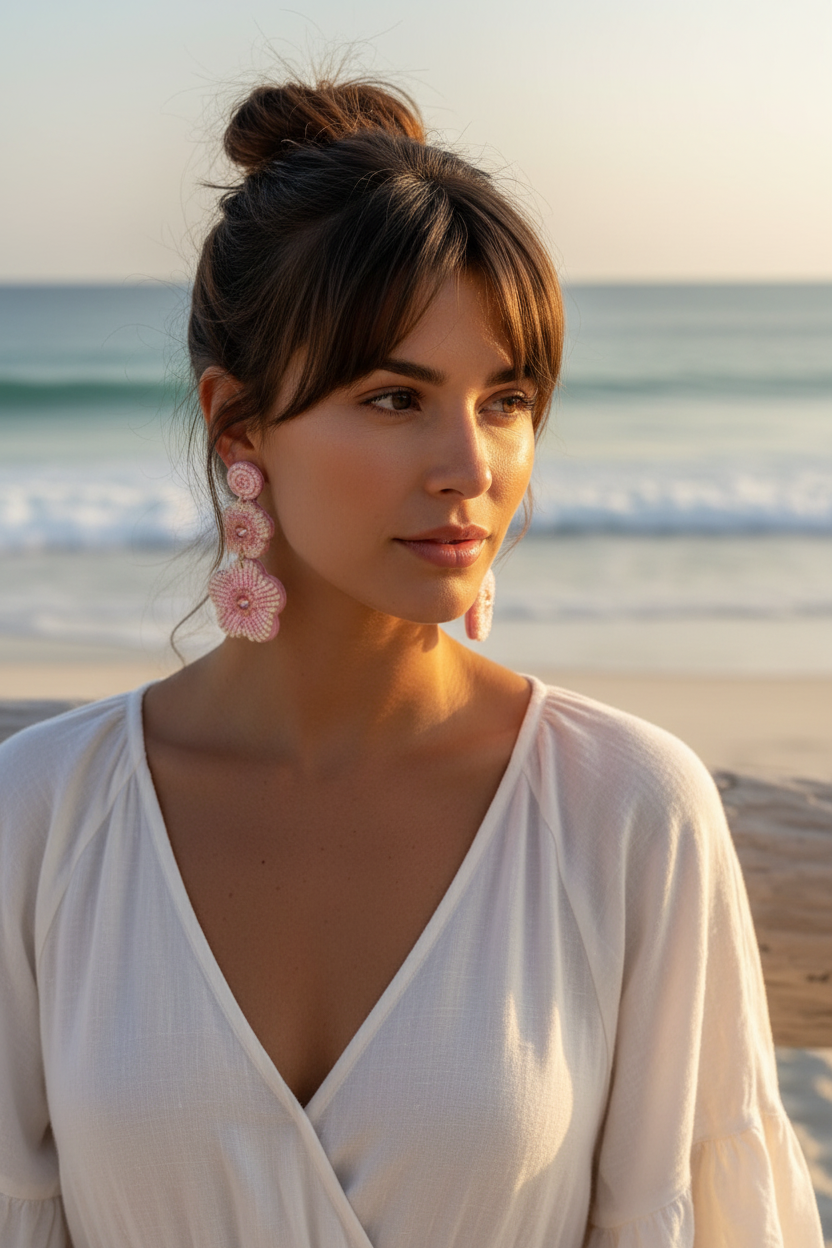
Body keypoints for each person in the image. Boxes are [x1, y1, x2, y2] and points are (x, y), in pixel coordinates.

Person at [0, 77, 822, 1248]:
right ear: (238, 426)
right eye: (396, 398)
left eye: (506, 400)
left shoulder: (628, 810)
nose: (471, 467)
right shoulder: (42, 817)